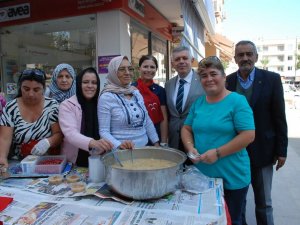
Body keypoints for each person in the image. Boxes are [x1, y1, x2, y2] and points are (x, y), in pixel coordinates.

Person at [181, 56, 255, 225]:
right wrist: (190, 147)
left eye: (213, 74)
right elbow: (186, 128)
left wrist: (218, 153)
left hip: (232, 177)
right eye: (204, 76)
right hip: (203, 177)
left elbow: (248, 135)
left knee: (232, 220)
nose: (209, 79)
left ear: (223, 77)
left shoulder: (237, 101)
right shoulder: (199, 103)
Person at [226, 40, 288, 225]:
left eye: (249, 54)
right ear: (235, 58)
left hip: (263, 150)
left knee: (264, 202)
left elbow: (279, 117)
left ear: (256, 57)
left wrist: (282, 150)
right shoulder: (228, 81)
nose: (245, 58)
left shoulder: (272, 79)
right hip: (235, 152)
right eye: (240, 55)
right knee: (239, 200)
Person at [0, 69, 63, 170]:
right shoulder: (11, 108)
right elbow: (4, 138)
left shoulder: (52, 106)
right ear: (20, 87)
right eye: (26, 89)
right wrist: (2, 159)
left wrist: (48, 142)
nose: (31, 94)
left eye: (36, 90)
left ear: (44, 89)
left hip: (47, 163)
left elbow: (59, 134)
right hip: (19, 164)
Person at [98, 55, 159, 149]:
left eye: (130, 69)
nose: (127, 73)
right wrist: (119, 145)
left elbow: (147, 120)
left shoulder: (135, 92)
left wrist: (156, 143)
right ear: (113, 72)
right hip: (121, 154)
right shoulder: (106, 97)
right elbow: (103, 131)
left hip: (144, 149)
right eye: (122, 69)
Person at [58, 67, 114, 166]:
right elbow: (71, 134)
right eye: (85, 82)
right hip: (75, 162)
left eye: (94, 83)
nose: (90, 86)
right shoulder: (67, 105)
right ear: (79, 84)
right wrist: (93, 143)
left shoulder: (102, 104)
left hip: (102, 160)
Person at [165, 46, 204, 153]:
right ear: (172, 64)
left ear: (192, 60)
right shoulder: (168, 84)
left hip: (196, 137)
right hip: (174, 139)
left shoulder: (203, 80)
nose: (181, 62)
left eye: (184, 58)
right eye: (177, 59)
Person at [132, 55, 168, 145]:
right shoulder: (131, 88)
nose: (149, 70)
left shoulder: (160, 90)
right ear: (139, 68)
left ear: (156, 70)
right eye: (145, 66)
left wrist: (163, 141)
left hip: (156, 135)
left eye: (152, 67)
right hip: (136, 135)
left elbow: (163, 118)